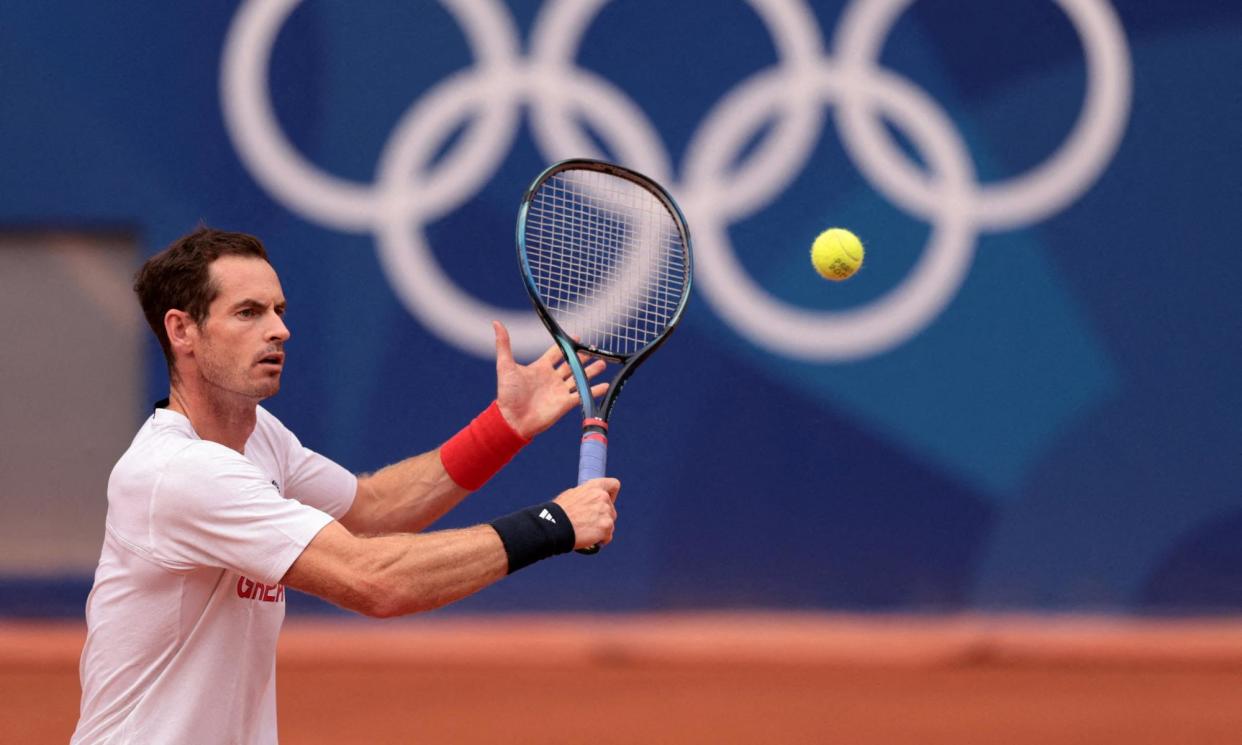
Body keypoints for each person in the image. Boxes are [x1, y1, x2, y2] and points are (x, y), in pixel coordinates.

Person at [71, 227, 620, 744]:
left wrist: (503, 427)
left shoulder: (261, 437)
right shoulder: (181, 473)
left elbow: (375, 507)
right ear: (181, 330)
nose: (279, 329)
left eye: (279, 310)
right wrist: (553, 524)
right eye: (248, 312)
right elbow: (375, 580)